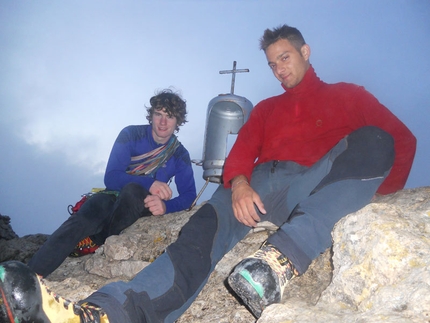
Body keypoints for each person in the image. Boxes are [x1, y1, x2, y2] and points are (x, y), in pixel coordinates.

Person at [0, 25, 416, 323]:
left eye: (284, 58)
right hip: (255, 185)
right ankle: (104, 314)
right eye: (272, 64)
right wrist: (237, 182)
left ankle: (280, 260)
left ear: (306, 52)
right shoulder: (267, 109)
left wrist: (368, 196)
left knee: (376, 139)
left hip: (312, 182)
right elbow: (242, 153)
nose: (279, 69)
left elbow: (401, 141)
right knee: (194, 242)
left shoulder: (348, 96)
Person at [26, 88, 197, 278]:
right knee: (85, 216)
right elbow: (112, 177)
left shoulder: (179, 154)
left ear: (178, 121)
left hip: (142, 205)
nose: (163, 122)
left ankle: (97, 239)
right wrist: (150, 183)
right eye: (159, 114)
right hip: (112, 196)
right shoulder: (131, 134)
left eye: (170, 116)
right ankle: (30, 275)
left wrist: (166, 206)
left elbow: (190, 195)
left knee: (133, 191)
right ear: (152, 115)